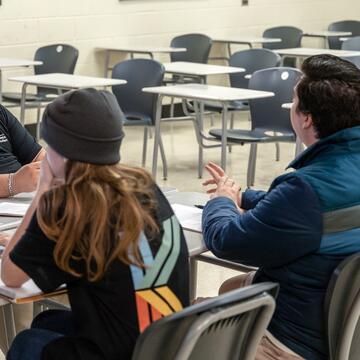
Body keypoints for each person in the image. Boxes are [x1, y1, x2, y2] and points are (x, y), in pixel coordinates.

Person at [2, 88, 189, 360]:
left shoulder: (67, 205)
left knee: (28, 342)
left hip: (122, 353)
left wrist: (43, 192)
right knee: (48, 321)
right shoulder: (143, 184)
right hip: (163, 342)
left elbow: (10, 275)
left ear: (59, 148)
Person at [201, 54, 360, 360]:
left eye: (293, 100)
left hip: (296, 340)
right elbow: (318, 214)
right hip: (344, 323)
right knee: (230, 287)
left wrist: (221, 200)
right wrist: (244, 196)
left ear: (307, 118)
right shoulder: (322, 183)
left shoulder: (305, 189)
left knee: (175, 325)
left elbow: (226, 240)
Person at [0, 105, 45, 197]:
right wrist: (13, 183)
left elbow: (37, 155)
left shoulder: (1, 113)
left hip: (25, 196)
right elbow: (16, 183)